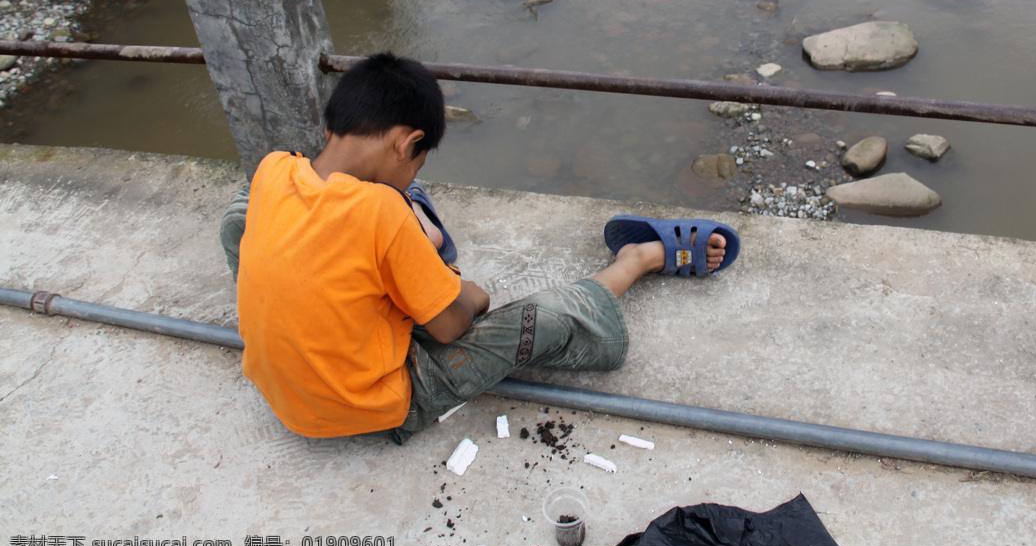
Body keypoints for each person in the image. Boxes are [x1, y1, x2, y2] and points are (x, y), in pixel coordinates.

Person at [219, 53, 740, 445]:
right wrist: (474, 293)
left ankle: (425, 233)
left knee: (240, 221)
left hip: (285, 399)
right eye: (414, 167)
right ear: (406, 144)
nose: (411, 170)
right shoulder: (378, 211)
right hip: (372, 408)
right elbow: (451, 325)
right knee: (545, 318)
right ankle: (639, 258)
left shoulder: (272, 169)